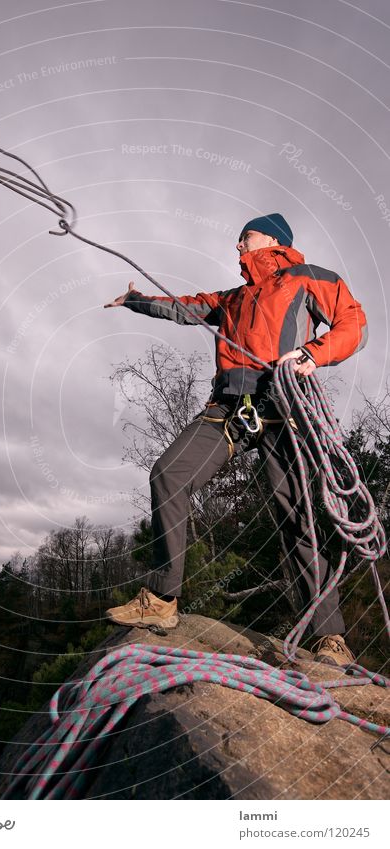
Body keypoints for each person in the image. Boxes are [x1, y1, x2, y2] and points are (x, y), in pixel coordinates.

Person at [103, 212, 368, 667]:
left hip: (285, 406)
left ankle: (330, 638)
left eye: (244, 238)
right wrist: (135, 300)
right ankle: (164, 599)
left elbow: (353, 324)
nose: (237, 247)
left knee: (297, 516)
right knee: (169, 473)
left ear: (273, 240)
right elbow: (182, 306)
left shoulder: (306, 279)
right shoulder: (233, 297)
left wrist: (312, 352)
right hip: (229, 407)